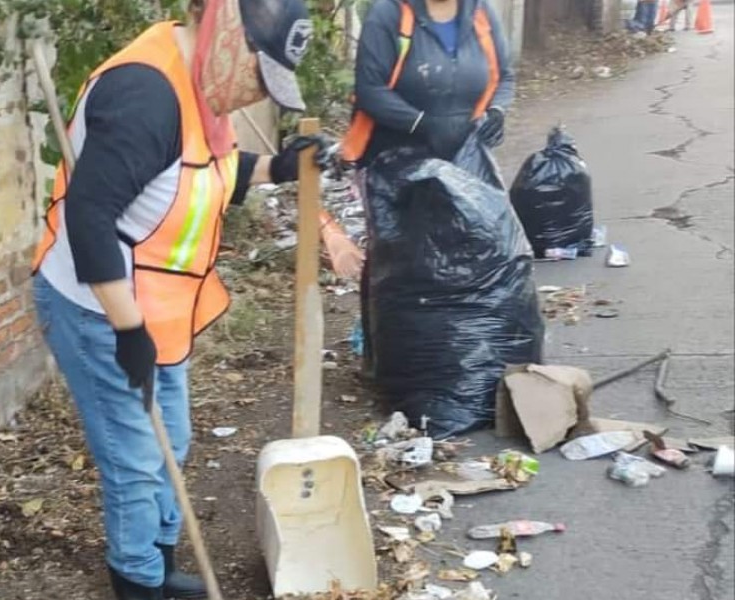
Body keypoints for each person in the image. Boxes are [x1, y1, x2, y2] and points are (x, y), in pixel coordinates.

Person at [30, 0, 324, 598]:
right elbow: (90, 217)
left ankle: (158, 559)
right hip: (99, 309)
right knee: (135, 458)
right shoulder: (146, 94)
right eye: (256, 74)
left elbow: (204, 172)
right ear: (225, 33)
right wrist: (129, 332)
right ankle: (137, 580)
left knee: (174, 438)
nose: (251, 95)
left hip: (160, 308)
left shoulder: (200, 90)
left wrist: (277, 168)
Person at [340, 0, 515, 375]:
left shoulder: (480, 13)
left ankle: (461, 354)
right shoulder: (390, 14)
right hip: (395, 158)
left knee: (466, 252)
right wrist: (421, 123)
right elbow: (369, 88)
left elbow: (504, 76)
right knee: (400, 259)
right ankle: (393, 359)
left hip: (463, 154)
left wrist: (497, 111)